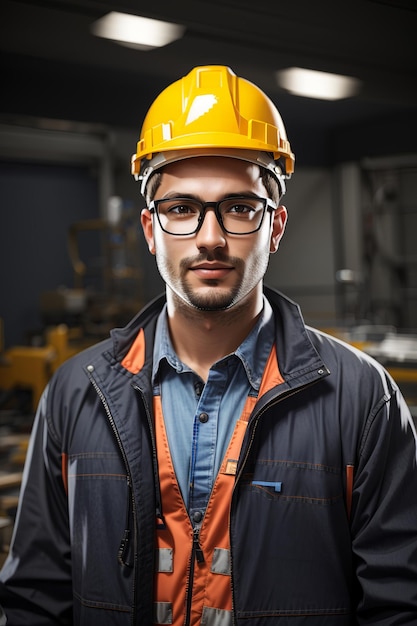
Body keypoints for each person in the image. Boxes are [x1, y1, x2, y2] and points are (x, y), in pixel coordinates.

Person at [0, 64, 416, 626]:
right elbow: (34, 601)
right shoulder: (75, 394)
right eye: (182, 209)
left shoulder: (363, 399)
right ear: (150, 230)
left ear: (276, 226)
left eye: (240, 208)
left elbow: (399, 608)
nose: (211, 237)